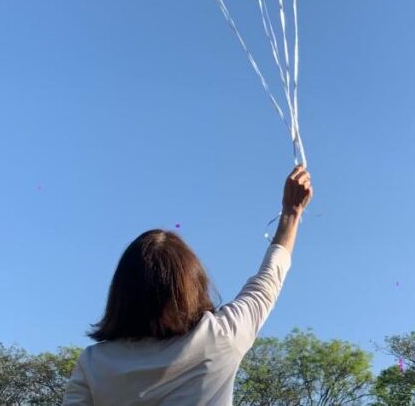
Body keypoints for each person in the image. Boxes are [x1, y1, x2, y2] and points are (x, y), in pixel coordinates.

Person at [62, 165, 312, 405]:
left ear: (121, 294)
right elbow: (268, 280)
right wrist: (291, 212)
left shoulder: (94, 364)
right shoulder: (220, 337)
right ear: (193, 285)